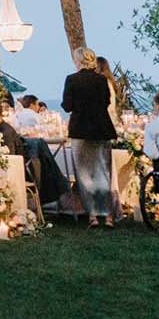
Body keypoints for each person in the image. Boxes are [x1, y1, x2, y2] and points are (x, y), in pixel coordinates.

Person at [61, 47, 118, 228]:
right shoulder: (102, 80)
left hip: (81, 129)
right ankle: (108, 215)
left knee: (85, 174)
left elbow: (67, 105)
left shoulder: (72, 79)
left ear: (78, 60)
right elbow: (106, 101)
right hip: (101, 128)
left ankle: (93, 215)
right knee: (103, 172)